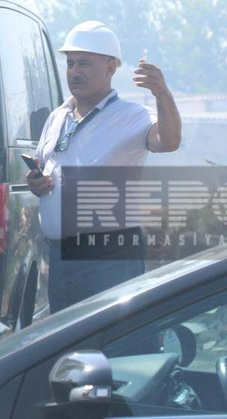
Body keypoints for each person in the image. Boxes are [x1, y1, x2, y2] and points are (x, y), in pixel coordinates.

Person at [26, 20, 181, 314]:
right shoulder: (58, 116)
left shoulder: (131, 116)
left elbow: (169, 140)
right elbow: (43, 168)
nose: (75, 71)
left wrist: (162, 94)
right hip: (60, 258)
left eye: (84, 63)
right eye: (70, 63)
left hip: (109, 259)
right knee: (67, 339)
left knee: (112, 337)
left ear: (110, 68)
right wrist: (37, 182)